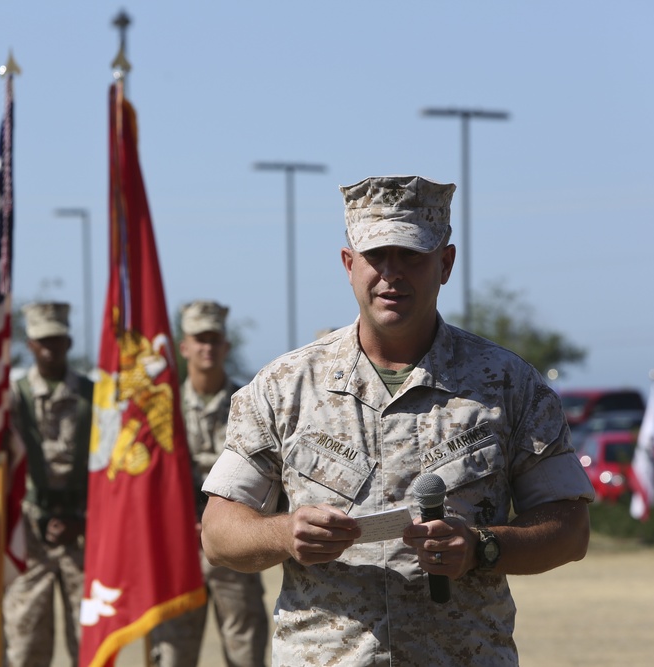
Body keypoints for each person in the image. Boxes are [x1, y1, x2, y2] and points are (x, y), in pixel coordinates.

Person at [200, 175, 595, 666]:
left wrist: (482, 547)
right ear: (349, 265)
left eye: (412, 255)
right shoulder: (283, 387)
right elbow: (218, 535)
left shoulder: (508, 385)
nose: (392, 274)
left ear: (445, 264)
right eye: (375, 257)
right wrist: (285, 534)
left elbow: (571, 529)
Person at [149, 300, 269, 666]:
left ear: (226, 347)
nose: (207, 348)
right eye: (199, 339)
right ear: (183, 348)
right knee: (171, 656)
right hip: (177, 553)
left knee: (245, 655)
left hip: (232, 553)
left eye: (214, 339)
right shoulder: (161, 410)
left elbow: (265, 474)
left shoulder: (248, 404)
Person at [4, 301, 93, 667]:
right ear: (30, 345)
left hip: (84, 532)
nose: (50, 348)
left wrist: (82, 521)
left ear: (68, 342)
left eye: (57, 340)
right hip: (30, 534)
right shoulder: (12, 397)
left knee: (89, 644)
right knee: (26, 647)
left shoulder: (93, 396)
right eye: (42, 341)